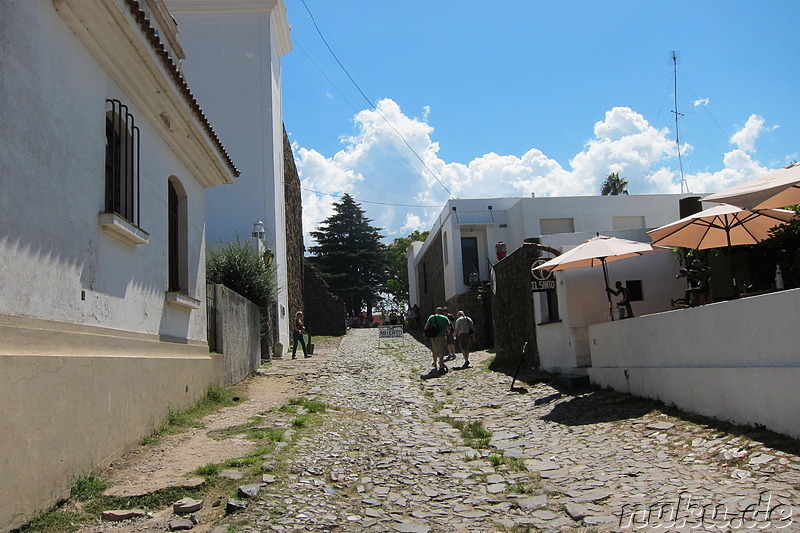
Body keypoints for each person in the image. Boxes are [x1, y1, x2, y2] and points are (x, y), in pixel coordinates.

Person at [424, 307, 450, 373]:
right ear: (441, 312)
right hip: (441, 335)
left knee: (435, 349)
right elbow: (448, 328)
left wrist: (425, 333)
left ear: (436, 311)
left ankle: (434, 363)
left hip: (434, 336)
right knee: (441, 349)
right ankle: (441, 363)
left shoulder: (431, 317)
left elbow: (426, 326)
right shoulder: (445, 318)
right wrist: (448, 332)